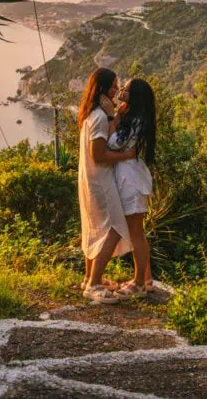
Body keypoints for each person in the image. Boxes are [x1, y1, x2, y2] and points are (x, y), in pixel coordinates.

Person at [76, 68, 137, 304]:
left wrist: (113, 116)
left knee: (94, 228)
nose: (115, 91)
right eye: (112, 87)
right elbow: (99, 154)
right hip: (101, 180)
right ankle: (93, 285)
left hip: (89, 179)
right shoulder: (100, 118)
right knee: (115, 228)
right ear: (101, 88)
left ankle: (89, 278)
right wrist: (127, 155)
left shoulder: (90, 114)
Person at [107, 78, 156, 299]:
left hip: (130, 179)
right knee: (137, 231)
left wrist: (114, 118)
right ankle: (146, 279)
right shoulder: (135, 116)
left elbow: (114, 144)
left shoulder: (134, 119)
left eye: (125, 89)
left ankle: (138, 283)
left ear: (134, 95)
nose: (121, 91)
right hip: (131, 175)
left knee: (136, 232)